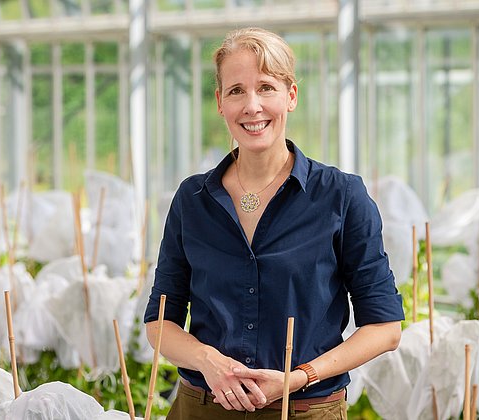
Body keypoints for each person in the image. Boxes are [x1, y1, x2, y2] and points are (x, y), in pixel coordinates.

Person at [144, 27, 404, 419]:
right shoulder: (193, 200)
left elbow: (385, 328)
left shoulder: (341, 196)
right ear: (219, 102)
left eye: (266, 87)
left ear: (291, 96)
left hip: (303, 409)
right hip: (202, 408)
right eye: (236, 91)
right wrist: (209, 361)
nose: (252, 106)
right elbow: (160, 321)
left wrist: (300, 376)